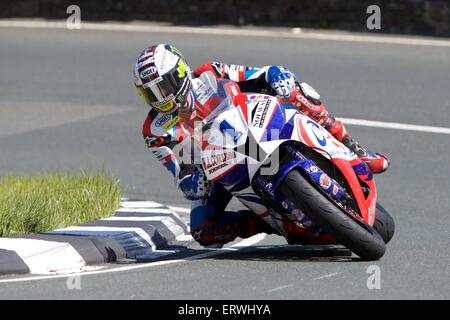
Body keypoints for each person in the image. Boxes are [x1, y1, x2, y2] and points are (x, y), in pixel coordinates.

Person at [133, 44, 389, 247]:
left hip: (251, 125)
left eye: (163, 87)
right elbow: (179, 172)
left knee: (298, 91)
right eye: (150, 94)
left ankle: (352, 147)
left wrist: (277, 76)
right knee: (204, 231)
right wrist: (192, 183)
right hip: (214, 167)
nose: (161, 98)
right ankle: (271, 223)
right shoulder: (155, 130)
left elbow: (259, 75)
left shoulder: (210, 72)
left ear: (180, 74)